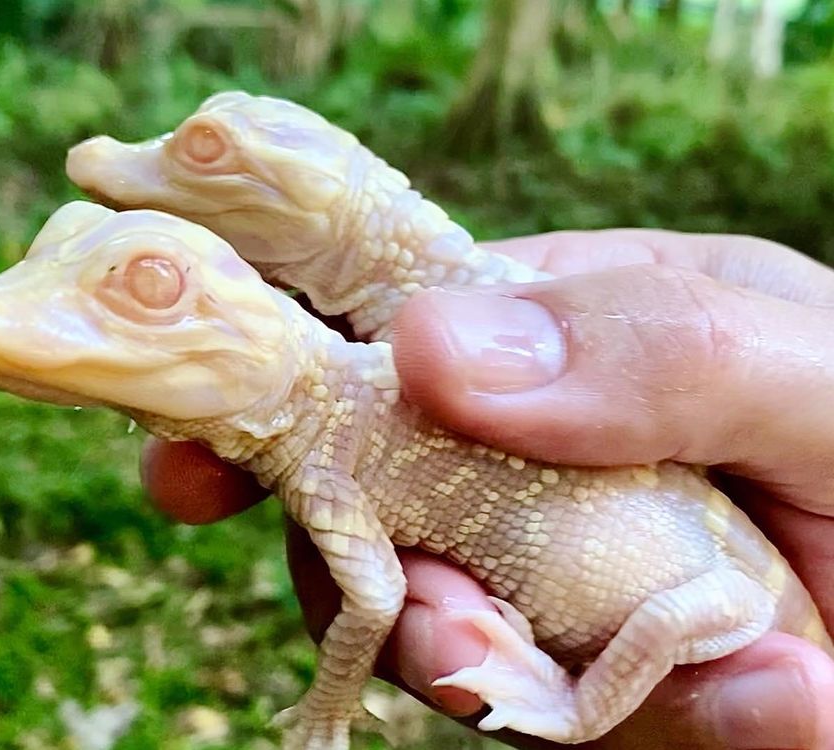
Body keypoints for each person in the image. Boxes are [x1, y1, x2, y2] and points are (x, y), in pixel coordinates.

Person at [140, 230, 834, 750]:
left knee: (658, 627)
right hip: (701, 570)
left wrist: (330, 701)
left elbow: (377, 596)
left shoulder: (343, 421)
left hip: (715, 594)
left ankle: (578, 714)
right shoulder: (341, 410)